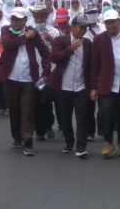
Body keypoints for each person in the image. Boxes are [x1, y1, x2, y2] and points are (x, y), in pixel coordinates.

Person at [0, 7, 51, 156]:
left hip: (28, 78)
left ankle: (28, 141)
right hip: (10, 77)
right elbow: (7, 45)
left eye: (18, 19)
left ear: (25, 20)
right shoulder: (6, 30)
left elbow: (45, 53)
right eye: (13, 19)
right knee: (14, 109)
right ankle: (17, 138)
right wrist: (25, 37)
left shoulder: (33, 32)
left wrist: (46, 72)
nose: (14, 22)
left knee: (27, 110)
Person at [90, 10, 120, 158]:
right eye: (107, 23)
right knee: (106, 113)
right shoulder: (99, 40)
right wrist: (93, 87)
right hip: (107, 83)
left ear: (119, 21)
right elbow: (94, 65)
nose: (110, 25)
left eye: (113, 22)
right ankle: (107, 141)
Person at [48, 16, 93, 159]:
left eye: (86, 28)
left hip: (81, 86)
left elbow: (91, 66)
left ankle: (81, 147)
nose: (84, 30)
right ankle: (69, 143)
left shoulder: (88, 43)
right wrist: (70, 49)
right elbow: (54, 57)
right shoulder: (61, 40)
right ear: (72, 27)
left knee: (82, 117)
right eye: (81, 27)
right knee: (65, 118)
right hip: (64, 86)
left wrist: (92, 87)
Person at [29, 4, 60, 141]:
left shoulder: (53, 31)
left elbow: (59, 50)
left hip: (49, 70)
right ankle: (39, 129)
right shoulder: (30, 31)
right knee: (35, 101)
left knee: (46, 100)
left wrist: (50, 40)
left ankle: (48, 126)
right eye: (37, 16)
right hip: (33, 70)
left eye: (42, 16)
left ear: (46, 17)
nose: (39, 19)